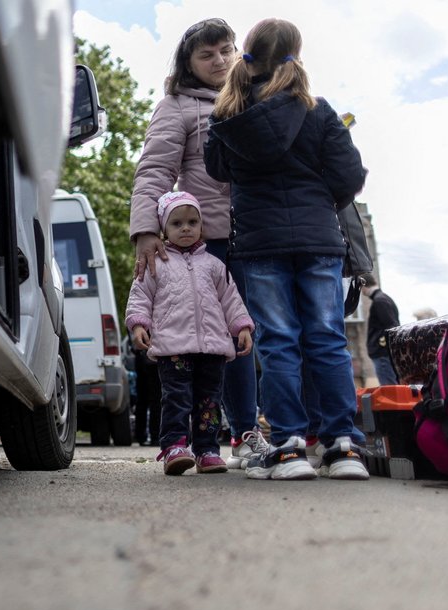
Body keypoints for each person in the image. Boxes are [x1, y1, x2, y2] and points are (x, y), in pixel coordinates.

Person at [204, 17, 369, 480]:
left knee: (277, 344)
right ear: (296, 55)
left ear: (247, 56)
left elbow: (216, 169)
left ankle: (289, 447)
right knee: (329, 340)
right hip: (320, 242)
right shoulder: (319, 111)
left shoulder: (228, 114)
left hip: (259, 244)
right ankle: (342, 447)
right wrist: (319, 202)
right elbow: (350, 176)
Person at [129, 17, 261, 468]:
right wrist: (147, 230)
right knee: (231, 340)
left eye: (226, 49)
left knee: (269, 337)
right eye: (206, 54)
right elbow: (154, 172)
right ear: (189, 63)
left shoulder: (257, 94)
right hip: (215, 244)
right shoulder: (178, 106)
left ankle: (292, 432)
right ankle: (242, 434)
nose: (219, 60)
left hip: (265, 237)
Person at [126, 191, 254, 475]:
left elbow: (231, 299)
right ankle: (174, 446)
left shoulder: (214, 265)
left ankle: (207, 450)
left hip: (212, 349)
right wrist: (138, 323)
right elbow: (139, 295)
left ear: (201, 226)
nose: (186, 228)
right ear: (163, 228)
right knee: (176, 397)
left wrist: (242, 326)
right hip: (173, 348)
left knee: (209, 401)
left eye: (192, 222)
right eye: (177, 223)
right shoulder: (155, 263)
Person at [360, 272, 400, 385]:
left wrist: (383, 345)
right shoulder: (382, 299)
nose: (361, 292)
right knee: (390, 387)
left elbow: (392, 327)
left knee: (389, 389)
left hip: (383, 354)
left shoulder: (380, 301)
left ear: (363, 285)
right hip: (384, 353)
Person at [133, 347, 161, 445]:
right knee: (156, 399)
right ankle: (155, 435)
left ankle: (140, 435)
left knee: (142, 399)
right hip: (155, 358)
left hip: (141, 356)